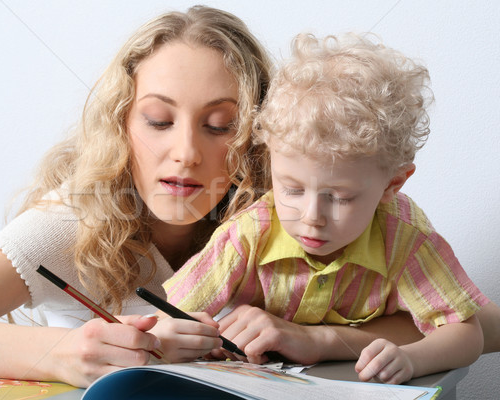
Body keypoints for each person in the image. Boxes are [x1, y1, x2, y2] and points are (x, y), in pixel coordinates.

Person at [0, 5, 272, 388]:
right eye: (159, 121)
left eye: (220, 126)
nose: (186, 152)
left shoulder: (282, 216)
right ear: (120, 121)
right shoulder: (73, 222)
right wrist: (64, 352)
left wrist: (318, 338)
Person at [164, 32, 490, 384]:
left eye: (339, 198)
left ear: (392, 185)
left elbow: (467, 334)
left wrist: (411, 359)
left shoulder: (404, 240)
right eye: (291, 189)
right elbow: (171, 316)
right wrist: (187, 336)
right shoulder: (248, 234)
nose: (311, 217)